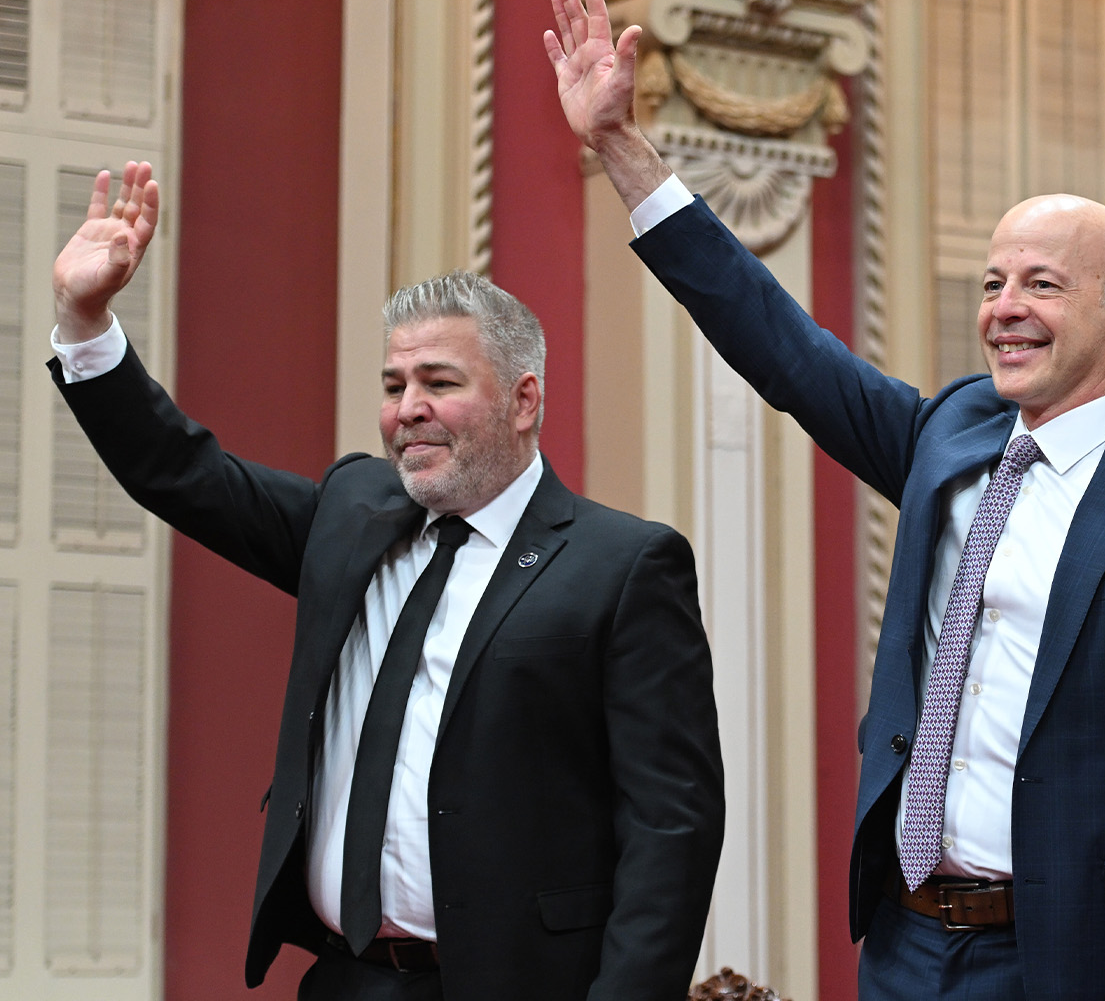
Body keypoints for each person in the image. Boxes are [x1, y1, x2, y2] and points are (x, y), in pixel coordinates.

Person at [546, 0, 1105, 1001]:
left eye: (1042, 284)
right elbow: (785, 349)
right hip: (905, 947)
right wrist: (623, 149)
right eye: (993, 282)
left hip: (1065, 964)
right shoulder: (951, 434)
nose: (1006, 310)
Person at [48, 163, 725, 1001]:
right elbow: (185, 475)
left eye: (440, 383)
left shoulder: (621, 565)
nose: (407, 407)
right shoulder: (352, 512)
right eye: (394, 385)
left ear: (523, 402)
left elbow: (673, 830)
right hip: (344, 980)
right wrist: (86, 320)